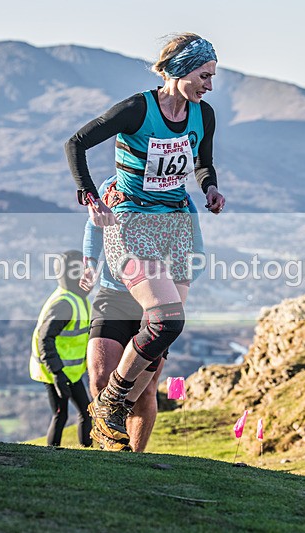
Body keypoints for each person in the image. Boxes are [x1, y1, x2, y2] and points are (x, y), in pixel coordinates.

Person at [65, 33, 225, 450]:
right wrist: (91, 197)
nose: (209, 85)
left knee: (162, 332)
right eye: (204, 75)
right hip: (132, 222)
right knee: (168, 319)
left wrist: (209, 189)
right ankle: (111, 404)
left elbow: (203, 163)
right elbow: (76, 143)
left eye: (212, 77)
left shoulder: (203, 115)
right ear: (179, 70)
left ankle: (117, 424)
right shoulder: (138, 109)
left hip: (178, 228)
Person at [81, 175, 205, 452]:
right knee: (100, 378)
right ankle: (109, 445)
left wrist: (175, 286)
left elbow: (197, 249)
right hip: (112, 296)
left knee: (145, 389)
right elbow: (93, 227)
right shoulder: (111, 188)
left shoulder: (180, 199)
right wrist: (90, 263)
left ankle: (134, 457)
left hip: (155, 303)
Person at [29, 250, 93, 447]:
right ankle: (52, 454)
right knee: (61, 414)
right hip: (54, 372)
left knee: (86, 411)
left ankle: (88, 454)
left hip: (70, 372)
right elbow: (45, 340)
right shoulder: (65, 304)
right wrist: (57, 374)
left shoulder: (77, 298)